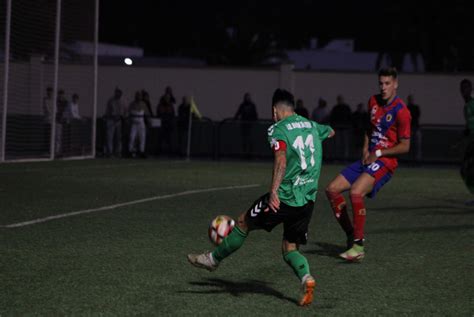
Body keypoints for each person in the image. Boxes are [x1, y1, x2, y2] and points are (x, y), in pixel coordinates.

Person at [188, 88, 335, 306]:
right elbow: (330, 131)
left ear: (275, 110)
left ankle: (212, 260)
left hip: (283, 198)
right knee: (290, 248)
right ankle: (307, 277)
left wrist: (274, 191)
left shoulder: (278, 129)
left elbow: (281, 159)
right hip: (307, 201)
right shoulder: (311, 125)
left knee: (242, 222)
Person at [325, 67, 411, 262]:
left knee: (356, 192)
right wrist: (366, 148)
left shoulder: (402, 112)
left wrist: (378, 152)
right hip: (369, 158)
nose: (383, 87)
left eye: (388, 83)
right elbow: (369, 129)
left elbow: (406, 146)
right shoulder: (373, 101)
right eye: (381, 83)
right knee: (332, 189)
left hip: (385, 162)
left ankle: (358, 246)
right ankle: (350, 234)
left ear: (395, 84)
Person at [459, 79, 474, 201]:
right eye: (462, 89)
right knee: (464, 169)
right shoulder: (466, 107)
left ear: (471, 89)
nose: (464, 91)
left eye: (467, 88)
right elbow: (469, 127)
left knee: (467, 169)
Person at [234, 92, 258, 158]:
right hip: (244, 125)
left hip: (250, 125)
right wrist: (235, 119)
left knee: (250, 139)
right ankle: (244, 154)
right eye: (247, 97)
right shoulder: (242, 105)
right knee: (244, 140)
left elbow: (255, 114)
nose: (248, 98)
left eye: (248, 97)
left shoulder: (252, 105)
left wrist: (254, 121)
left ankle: (250, 154)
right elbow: (238, 113)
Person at [104, 88, 127, 157]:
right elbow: (108, 111)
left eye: (120, 93)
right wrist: (110, 117)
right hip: (111, 120)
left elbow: (125, 111)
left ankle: (118, 152)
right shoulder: (111, 100)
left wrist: (122, 117)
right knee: (109, 137)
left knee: (118, 138)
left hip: (118, 121)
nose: (118, 94)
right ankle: (110, 152)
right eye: (117, 93)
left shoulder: (123, 101)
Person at [329, 95, 352, 159]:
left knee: (345, 144)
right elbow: (332, 118)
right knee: (337, 144)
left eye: (341, 99)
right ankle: (338, 157)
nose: (340, 100)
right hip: (337, 128)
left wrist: (349, 125)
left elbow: (350, 117)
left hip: (345, 128)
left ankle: (345, 157)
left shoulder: (346, 107)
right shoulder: (335, 108)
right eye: (339, 99)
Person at [128, 91, 149, 158]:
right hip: (134, 124)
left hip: (141, 124)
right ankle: (131, 151)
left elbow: (147, 114)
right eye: (137, 95)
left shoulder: (143, 104)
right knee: (132, 137)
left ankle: (141, 151)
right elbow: (129, 114)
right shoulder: (132, 104)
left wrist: (148, 122)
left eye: (139, 95)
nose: (138, 97)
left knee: (142, 138)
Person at [156, 91, 176, 155]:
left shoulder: (171, 106)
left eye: (168, 98)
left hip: (169, 125)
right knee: (161, 140)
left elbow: (173, 114)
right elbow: (159, 113)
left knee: (170, 140)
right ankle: (160, 152)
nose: (167, 99)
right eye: (166, 98)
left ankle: (171, 153)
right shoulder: (160, 105)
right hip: (162, 125)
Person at [406, 94, 422, 161]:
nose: (411, 100)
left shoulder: (415, 108)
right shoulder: (406, 108)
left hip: (415, 127)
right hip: (409, 129)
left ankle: (417, 159)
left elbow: (416, 116)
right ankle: (409, 158)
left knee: (417, 144)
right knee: (409, 145)